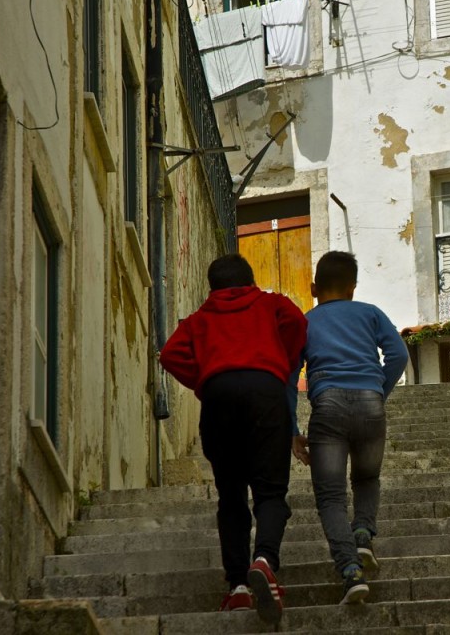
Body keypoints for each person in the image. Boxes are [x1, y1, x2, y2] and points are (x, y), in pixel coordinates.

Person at [159, 253, 307, 623]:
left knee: (231, 496)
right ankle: (265, 560)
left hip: (219, 396)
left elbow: (171, 354)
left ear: (212, 288)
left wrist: (206, 379)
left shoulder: (199, 319)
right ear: (251, 281)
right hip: (266, 392)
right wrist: (281, 364)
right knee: (271, 491)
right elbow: (298, 324)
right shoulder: (272, 304)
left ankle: (238, 587)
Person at [293, 251, 408, 605]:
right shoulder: (370, 313)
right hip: (371, 403)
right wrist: (378, 391)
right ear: (353, 289)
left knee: (330, 496)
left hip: (327, 406)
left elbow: (286, 378)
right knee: (367, 478)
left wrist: (292, 431)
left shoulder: (306, 322)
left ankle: (350, 570)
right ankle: (362, 534)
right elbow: (399, 355)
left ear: (314, 288)